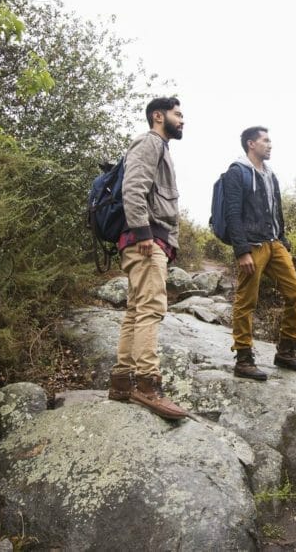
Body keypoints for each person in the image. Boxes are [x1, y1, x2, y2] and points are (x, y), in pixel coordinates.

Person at [107, 97, 189, 419]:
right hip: (145, 240)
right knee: (151, 309)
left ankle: (121, 382)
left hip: (149, 240)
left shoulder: (161, 148)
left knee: (136, 309)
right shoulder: (149, 141)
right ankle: (147, 384)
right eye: (177, 114)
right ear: (158, 116)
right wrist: (143, 233)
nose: (182, 120)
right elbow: (133, 188)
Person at [222, 126, 296, 380]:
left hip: (274, 244)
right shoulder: (236, 172)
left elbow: (276, 210)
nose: (270, 145)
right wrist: (242, 250)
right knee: (246, 300)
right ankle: (243, 358)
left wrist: (282, 240)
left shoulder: (270, 174)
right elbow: (232, 214)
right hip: (252, 246)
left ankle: (285, 352)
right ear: (251, 144)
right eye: (265, 140)